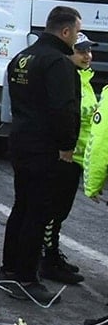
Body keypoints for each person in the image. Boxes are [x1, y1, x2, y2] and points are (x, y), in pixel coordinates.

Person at [0, 6, 82, 303]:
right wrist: (67, 145)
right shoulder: (58, 63)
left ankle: (8, 270)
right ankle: (26, 279)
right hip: (45, 147)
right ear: (66, 31)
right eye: (77, 32)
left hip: (21, 141)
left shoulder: (23, 57)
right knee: (38, 213)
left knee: (22, 207)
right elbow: (63, 109)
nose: (77, 38)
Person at [39, 32, 95, 284]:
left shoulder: (85, 79)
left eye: (89, 51)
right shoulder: (66, 79)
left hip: (78, 158)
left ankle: (52, 255)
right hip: (64, 157)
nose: (87, 56)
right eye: (81, 51)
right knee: (53, 212)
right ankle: (47, 261)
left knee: (60, 212)